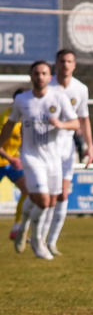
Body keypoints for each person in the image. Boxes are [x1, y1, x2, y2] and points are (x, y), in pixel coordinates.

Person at [0, 60, 79, 260]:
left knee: (51, 201)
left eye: (44, 73)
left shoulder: (58, 97)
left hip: (53, 157)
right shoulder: (22, 100)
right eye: (36, 73)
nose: (40, 77)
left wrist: (61, 124)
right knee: (43, 201)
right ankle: (36, 240)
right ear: (31, 76)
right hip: (30, 156)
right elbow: (10, 125)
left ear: (49, 76)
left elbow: (75, 122)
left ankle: (22, 226)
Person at [48, 49, 93, 257]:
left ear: (74, 65)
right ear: (56, 64)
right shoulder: (46, 86)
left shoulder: (81, 89)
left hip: (66, 147)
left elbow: (83, 119)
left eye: (69, 61)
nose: (65, 64)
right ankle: (32, 231)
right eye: (62, 61)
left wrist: (89, 146)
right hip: (45, 147)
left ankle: (50, 242)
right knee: (45, 195)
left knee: (63, 194)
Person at [0, 88, 28, 242]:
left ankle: (17, 227)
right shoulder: (5, 119)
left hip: (12, 164)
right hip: (4, 161)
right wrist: (11, 158)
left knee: (28, 190)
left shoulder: (27, 119)